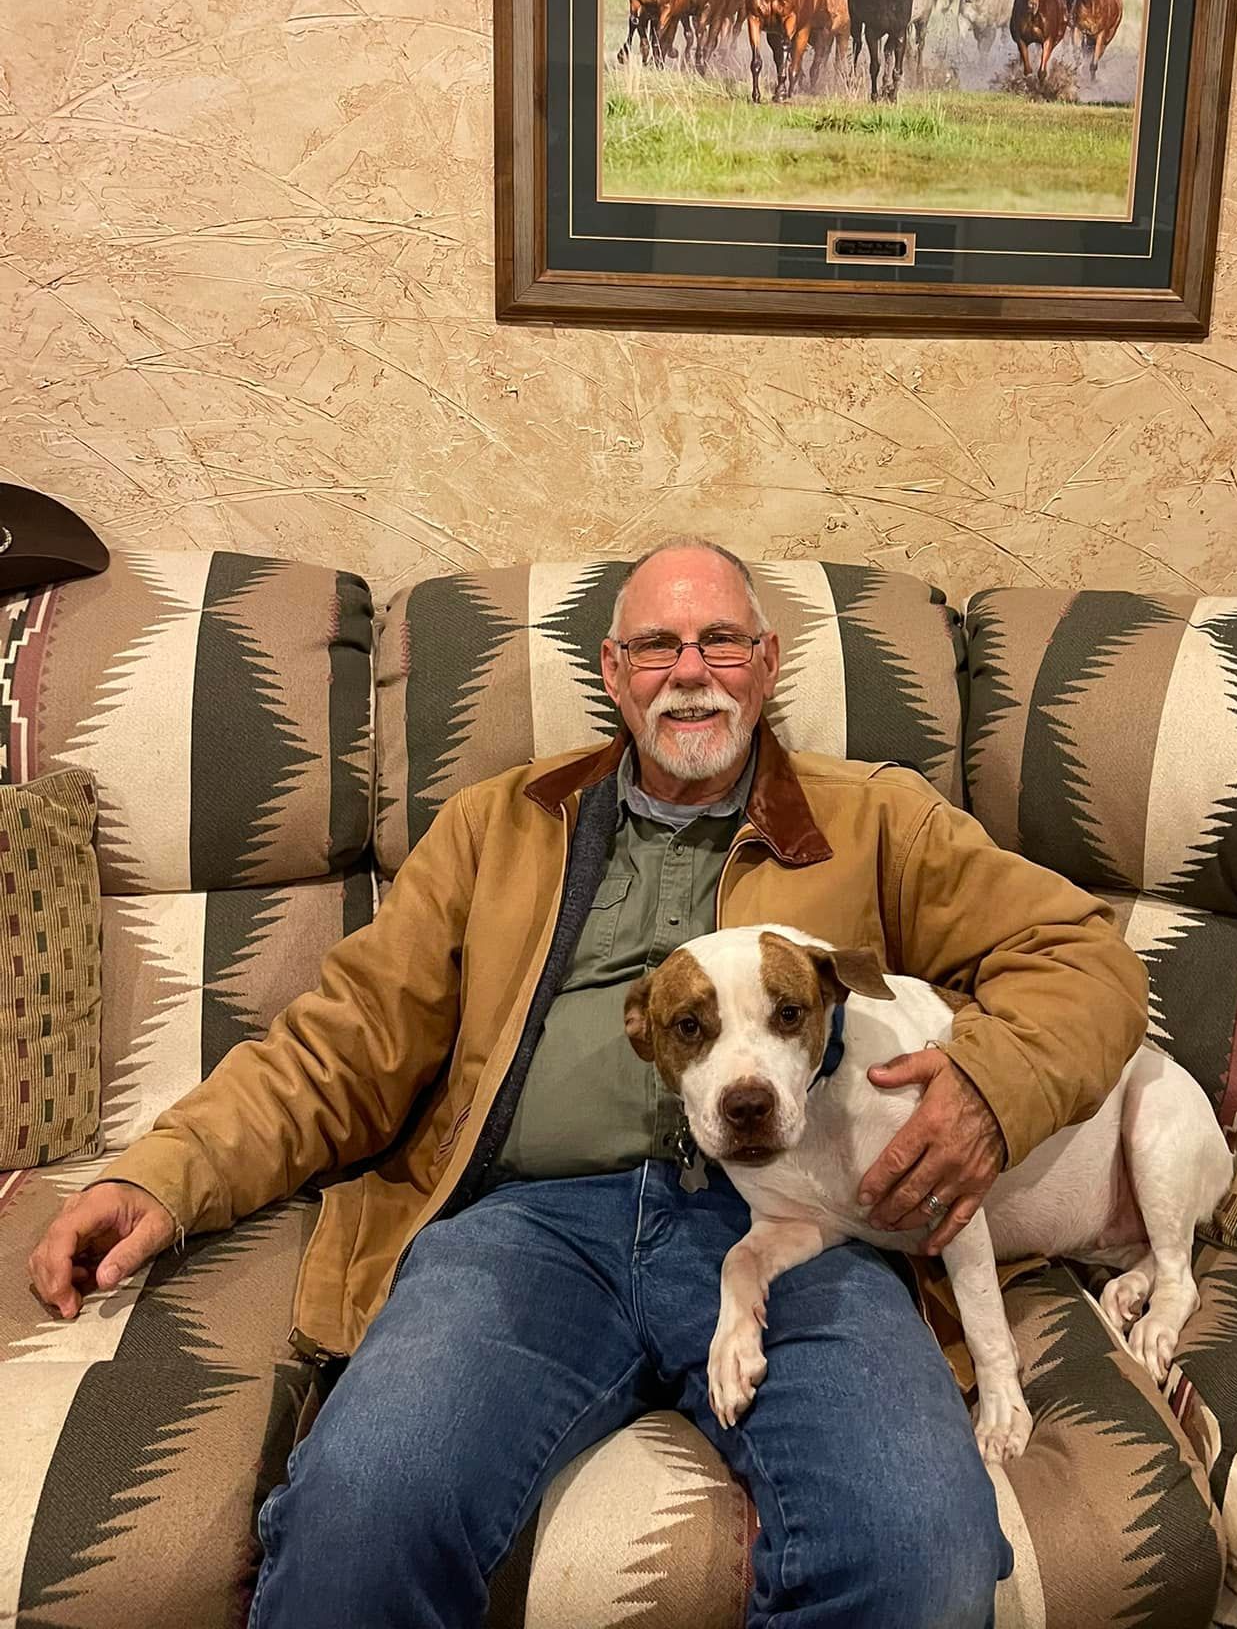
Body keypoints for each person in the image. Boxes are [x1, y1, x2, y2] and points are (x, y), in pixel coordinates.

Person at [28, 538, 1147, 1629]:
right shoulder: (496, 824)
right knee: (359, 1516)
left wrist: (990, 1089)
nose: (691, 669)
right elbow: (342, 1043)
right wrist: (164, 1176)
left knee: (920, 1545)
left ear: (765, 662)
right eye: (656, 645)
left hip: (803, 1232)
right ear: (613, 676)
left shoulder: (877, 817)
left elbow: (1084, 958)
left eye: (720, 640)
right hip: (527, 1230)